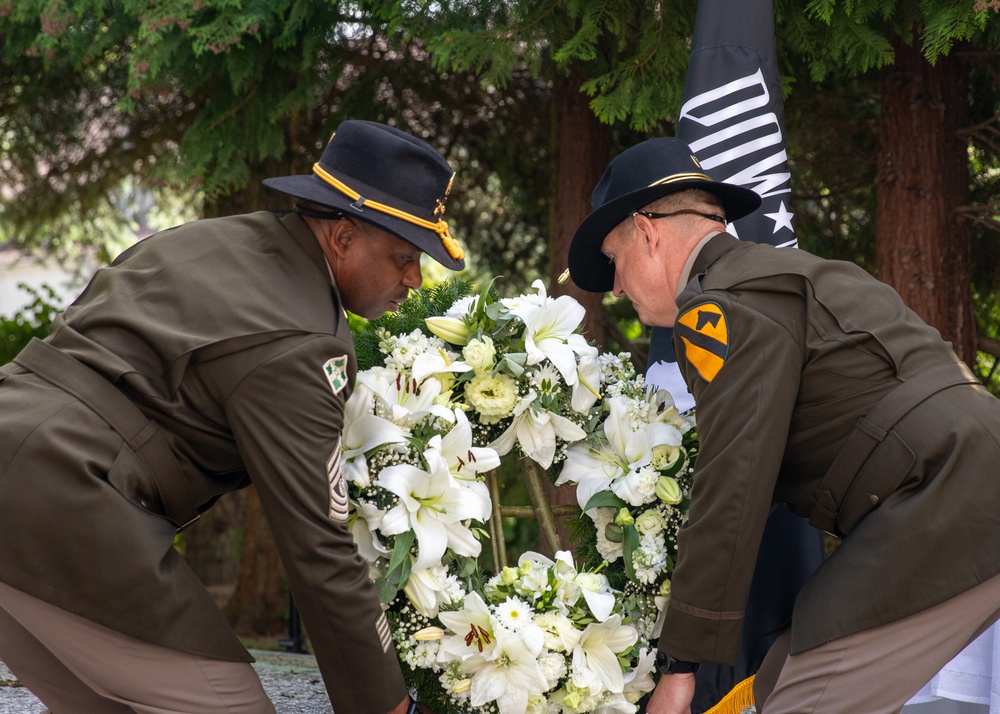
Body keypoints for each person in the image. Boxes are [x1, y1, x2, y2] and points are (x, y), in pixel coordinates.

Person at [0, 119, 464, 714]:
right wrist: (387, 706)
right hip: (61, 502)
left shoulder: (202, 239)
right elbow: (316, 547)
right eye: (403, 256)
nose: (414, 279)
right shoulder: (305, 339)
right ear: (344, 236)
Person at [568, 136, 1000, 714]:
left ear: (646, 233)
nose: (617, 289)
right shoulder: (785, 273)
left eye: (615, 264)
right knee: (776, 680)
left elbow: (735, 482)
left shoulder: (716, 309)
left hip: (949, 494)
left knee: (798, 697)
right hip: (961, 479)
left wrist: (678, 671)